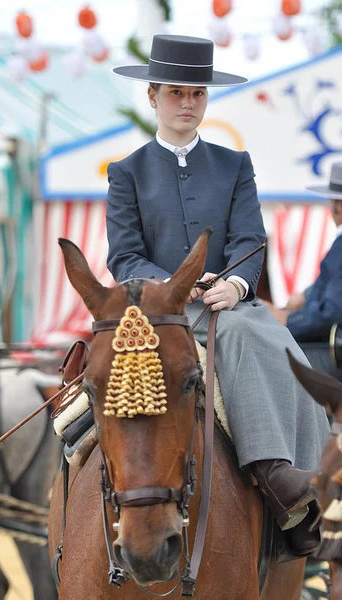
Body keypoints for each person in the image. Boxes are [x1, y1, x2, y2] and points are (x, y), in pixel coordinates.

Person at [106, 34, 329, 556]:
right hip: (160, 311)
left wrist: (234, 282)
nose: (188, 104)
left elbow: (252, 240)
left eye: (197, 94)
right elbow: (124, 257)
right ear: (153, 96)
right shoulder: (126, 173)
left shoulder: (235, 166)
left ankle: (301, 476)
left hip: (229, 300)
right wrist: (178, 288)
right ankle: (73, 480)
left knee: (265, 334)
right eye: (178, 93)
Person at [265, 161, 342, 380]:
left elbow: (334, 313)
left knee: (266, 359)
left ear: (339, 204)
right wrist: (306, 295)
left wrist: (286, 320)